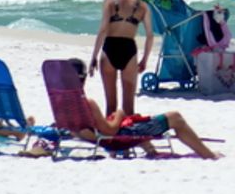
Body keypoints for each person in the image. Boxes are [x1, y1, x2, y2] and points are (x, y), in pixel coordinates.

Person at [68, 58, 220, 160]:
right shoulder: (88, 103)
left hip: (106, 140)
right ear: (83, 78)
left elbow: (78, 131)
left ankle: (151, 149)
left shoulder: (64, 104)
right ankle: (209, 155)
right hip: (119, 138)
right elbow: (110, 131)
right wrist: (120, 115)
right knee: (175, 118)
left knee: (150, 120)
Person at [89, 0, 154, 116]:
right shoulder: (143, 6)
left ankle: (110, 136)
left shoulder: (110, 2)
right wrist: (145, 59)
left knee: (111, 106)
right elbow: (150, 35)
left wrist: (94, 57)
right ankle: (128, 137)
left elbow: (103, 29)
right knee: (129, 108)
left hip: (110, 47)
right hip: (129, 50)